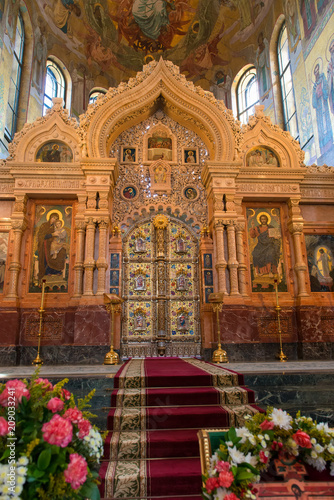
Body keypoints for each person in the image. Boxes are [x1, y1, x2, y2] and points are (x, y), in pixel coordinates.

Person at [37, 212, 68, 280]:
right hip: (45, 244)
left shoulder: (56, 227)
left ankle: (57, 271)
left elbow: (62, 236)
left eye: (56, 219)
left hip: (55, 244)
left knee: (62, 252)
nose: (54, 220)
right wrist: (52, 235)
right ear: (50, 218)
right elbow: (41, 236)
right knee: (48, 253)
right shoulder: (44, 225)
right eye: (53, 218)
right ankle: (47, 271)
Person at [312, 62, 333, 154]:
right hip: (319, 110)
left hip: (324, 105)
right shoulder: (314, 86)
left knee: (326, 124)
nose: (316, 73)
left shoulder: (323, 77)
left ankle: (330, 143)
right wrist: (316, 95)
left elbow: (326, 89)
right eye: (315, 72)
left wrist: (322, 92)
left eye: (317, 71)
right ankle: (323, 149)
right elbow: (313, 102)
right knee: (321, 126)